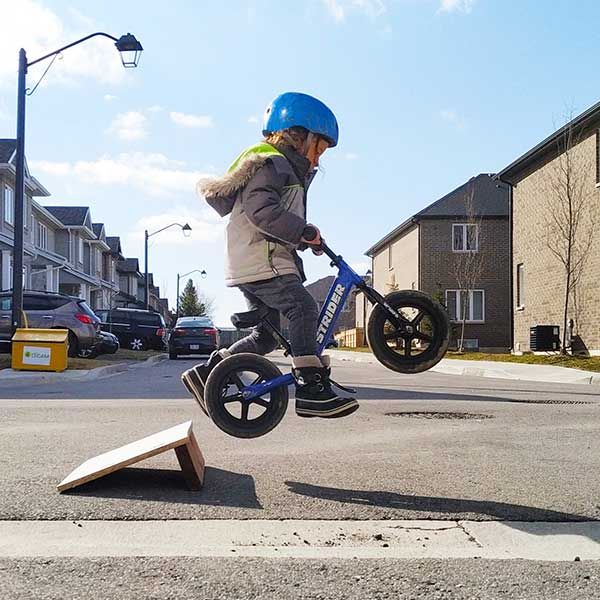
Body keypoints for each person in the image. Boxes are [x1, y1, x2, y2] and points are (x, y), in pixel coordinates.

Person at [182, 92, 358, 419]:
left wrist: (305, 236)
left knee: (264, 338)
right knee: (302, 307)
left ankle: (209, 375)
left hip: (255, 260)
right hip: (262, 260)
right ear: (297, 134)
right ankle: (310, 389)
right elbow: (262, 212)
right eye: (318, 148)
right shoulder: (271, 163)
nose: (319, 159)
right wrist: (301, 230)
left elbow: (278, 217)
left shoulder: (284, 168)